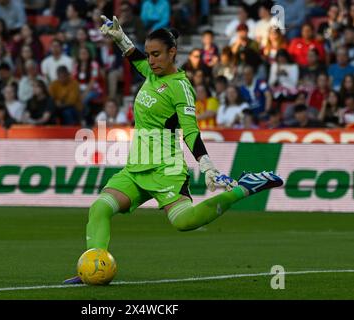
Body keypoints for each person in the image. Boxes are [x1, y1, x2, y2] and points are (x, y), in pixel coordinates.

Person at [64, 16, 283, 284]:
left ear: (172, 53)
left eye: (157, 55)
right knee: (99, 208)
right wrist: (120, 37)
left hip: (166, 167)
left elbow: (190, 130)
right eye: (150, 55)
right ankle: (92, 266)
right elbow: (136, 58)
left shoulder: (181, 88)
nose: (152, 60)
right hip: (136, 167)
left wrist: (206, 165)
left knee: (183, 222)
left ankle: (244, 187)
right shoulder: (151, 72)